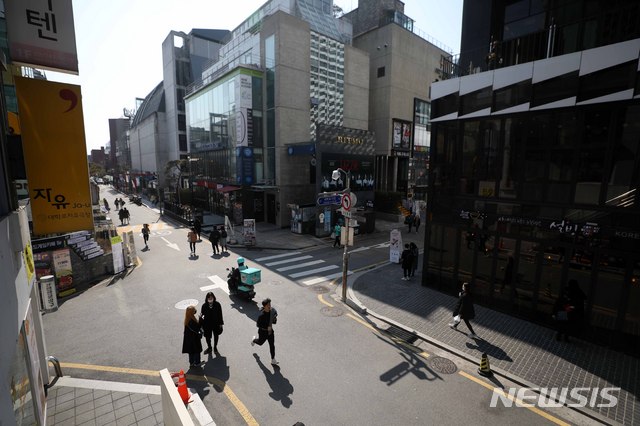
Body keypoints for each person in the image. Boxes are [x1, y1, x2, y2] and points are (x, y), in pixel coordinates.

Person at [251, 298, 279, 365]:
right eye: (268, 305)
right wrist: (266, 327)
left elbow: (274, 321)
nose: (269, 306)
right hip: (263, 332)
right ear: (264, 306)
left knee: (272, 345)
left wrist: (274, 319)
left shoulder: (272, 312)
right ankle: (254, 340)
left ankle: (273, 359)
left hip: (270, 332)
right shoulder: (261, 316)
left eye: (270, 304)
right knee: (260, 343)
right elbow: (258, 325)